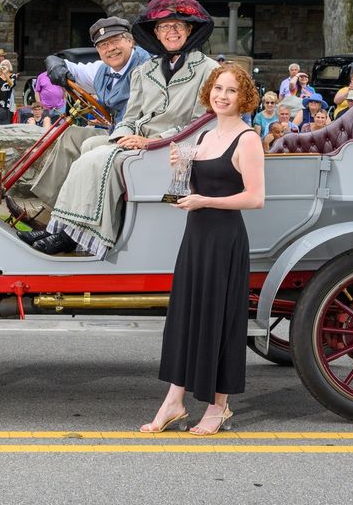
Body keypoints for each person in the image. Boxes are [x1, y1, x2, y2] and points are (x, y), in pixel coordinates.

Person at [29, 0, 220, 256]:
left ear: (190, 30)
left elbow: (201, 123)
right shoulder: (145, 70)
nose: (171, 32)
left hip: (175, 150)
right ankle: (66, 227)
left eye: (178, 26)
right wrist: (122, 137)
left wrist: (152, 141)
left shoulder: (208, 70)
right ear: (156, 33)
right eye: (165, 27)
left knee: (95, 158)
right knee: (93, 148)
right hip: (139, 142)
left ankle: (76, 234)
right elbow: (129, 118)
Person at [140, 65, 264, 436]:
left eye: (231, 90)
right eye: (217, 88)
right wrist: (181, 169)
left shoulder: (248, 139)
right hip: (196, 238)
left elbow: (255, 198)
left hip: (224, 241)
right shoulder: (207, 135)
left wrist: (203, 200)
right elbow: (193, 187)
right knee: (187, 318)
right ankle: (174, 401)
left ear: (244, 98)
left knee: (219, 321)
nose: (222, 96)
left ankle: (219, 406)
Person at [29, 18, 152, 206]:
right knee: (70, 135)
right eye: (103, 45)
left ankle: (79, 211)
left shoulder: (148, 66)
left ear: (130, 41)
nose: (110, 48)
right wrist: (54, 63)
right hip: (114, 132)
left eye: (115, 41)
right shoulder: (102, 69)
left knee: (92, 145)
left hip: (138, 137)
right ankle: (49, 205)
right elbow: (68, 68)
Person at [0, 59, 16, 123]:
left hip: (8, 100)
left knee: (8, 119)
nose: (4, 66)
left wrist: (5, 74)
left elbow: (11, 84)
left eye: (6, 65)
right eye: (3, 65)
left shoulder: (13, 75)